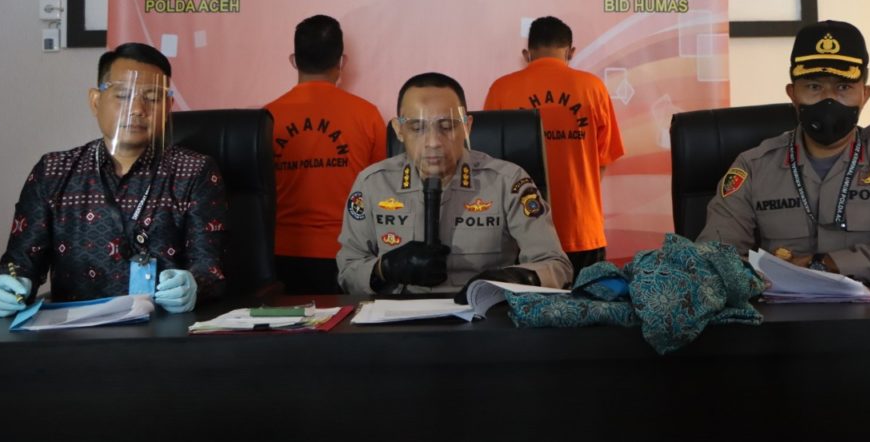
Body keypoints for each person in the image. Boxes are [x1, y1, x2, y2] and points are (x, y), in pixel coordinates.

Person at [0, 43, 227, 318]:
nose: (137, 109)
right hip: (74, 333)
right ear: (95, 101)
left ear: (168, 107)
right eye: (123, 95)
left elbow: (209, 268)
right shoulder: (52, 172)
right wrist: (4, 287)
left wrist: (195, 285)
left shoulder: (194, 172)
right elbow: (20, 264)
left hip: (162, 331)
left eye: (152, 98)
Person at [697, 20, 870, 285]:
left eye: (843, 87)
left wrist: (824, 264)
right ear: (792, 94)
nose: (828, 100)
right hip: (781, 309)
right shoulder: (753, 167)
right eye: (814, 86)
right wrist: (759, 277)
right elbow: (712, 260)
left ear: (865, 94)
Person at [337, 72, 572, 295]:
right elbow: (347, 271)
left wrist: (516, 279)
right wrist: (383, 270)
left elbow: (556, 265)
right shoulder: (372, 184)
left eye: (447, 126)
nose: (433, 142)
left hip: (483, 315)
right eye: (417, 128)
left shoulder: (507, 182)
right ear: (399, 130)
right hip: (398, 316)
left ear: (466, 127)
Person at [484, 16, 624, 278]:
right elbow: (603, 160)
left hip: (520, 229)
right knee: (586, 302)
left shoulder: (501, 89)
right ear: (571, 52)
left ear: (527, 54)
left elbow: (490, 163)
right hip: (581, 229)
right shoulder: (593, 87)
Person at [266, 15, 387, 294]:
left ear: (294, 61)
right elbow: (381, 188)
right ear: (341, 62)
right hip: (349, 252)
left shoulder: (267, 117)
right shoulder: (367, 115)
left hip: (279, 254)